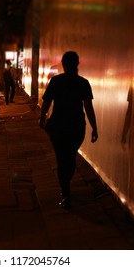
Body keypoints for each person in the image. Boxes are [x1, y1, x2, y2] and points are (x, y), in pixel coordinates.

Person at [39, 51, 98, 209]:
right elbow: (88, 107)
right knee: (70, 157)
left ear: (63, 64)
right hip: (76, 126)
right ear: (77, 64)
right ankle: (66, 188)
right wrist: (94, 128)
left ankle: (65, 191)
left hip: (57, 126)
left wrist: (41, 118)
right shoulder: (83, 83)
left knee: (61, 158)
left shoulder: (56, 81)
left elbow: (46, 101)